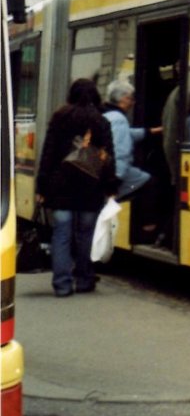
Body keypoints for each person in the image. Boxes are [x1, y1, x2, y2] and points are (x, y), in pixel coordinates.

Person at [35, 78, 116, 297]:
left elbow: (48, 154)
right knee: (86, 234)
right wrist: (110, 187)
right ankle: (84, 279)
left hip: (61, 186)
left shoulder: (59, 118)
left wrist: (41, 186)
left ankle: (62, 284)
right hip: (90, 186)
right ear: (95, 96)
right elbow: (107, 158)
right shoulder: (101, 121)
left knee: (61, 234)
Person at [102, 79, 162, 201]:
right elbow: (120, 151)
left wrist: (150, 131)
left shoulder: (107, 115)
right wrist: (117, 179)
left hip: (105, 169)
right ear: (122, 99)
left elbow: (126, 134)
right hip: (114, 173)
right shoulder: (119, 119)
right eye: (130, 99)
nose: (133, 103)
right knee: (149, 182)